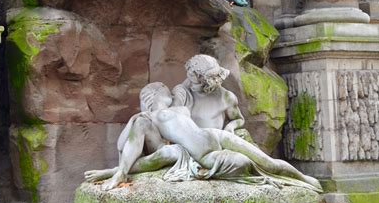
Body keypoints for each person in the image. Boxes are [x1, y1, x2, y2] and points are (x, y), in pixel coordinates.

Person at [84, 82, 322, 193]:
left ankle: (304, 180)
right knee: (264, 163)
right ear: (158, 96)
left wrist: (118, 171)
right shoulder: (161, 114)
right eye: (165, 90)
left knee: (264, 163)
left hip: (207, 147)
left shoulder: (155, 114)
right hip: (209, 143)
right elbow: (128, 147)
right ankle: (304, 179)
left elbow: (125, 147)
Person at [172, 54, 249, 138]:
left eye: (194, 82)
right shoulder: (183, 92)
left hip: (216, 141)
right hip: (187, 141)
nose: (189, 83)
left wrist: (231, 126)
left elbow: (239, 119)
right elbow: (170, 117)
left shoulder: (226, 97)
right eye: (190, 79)